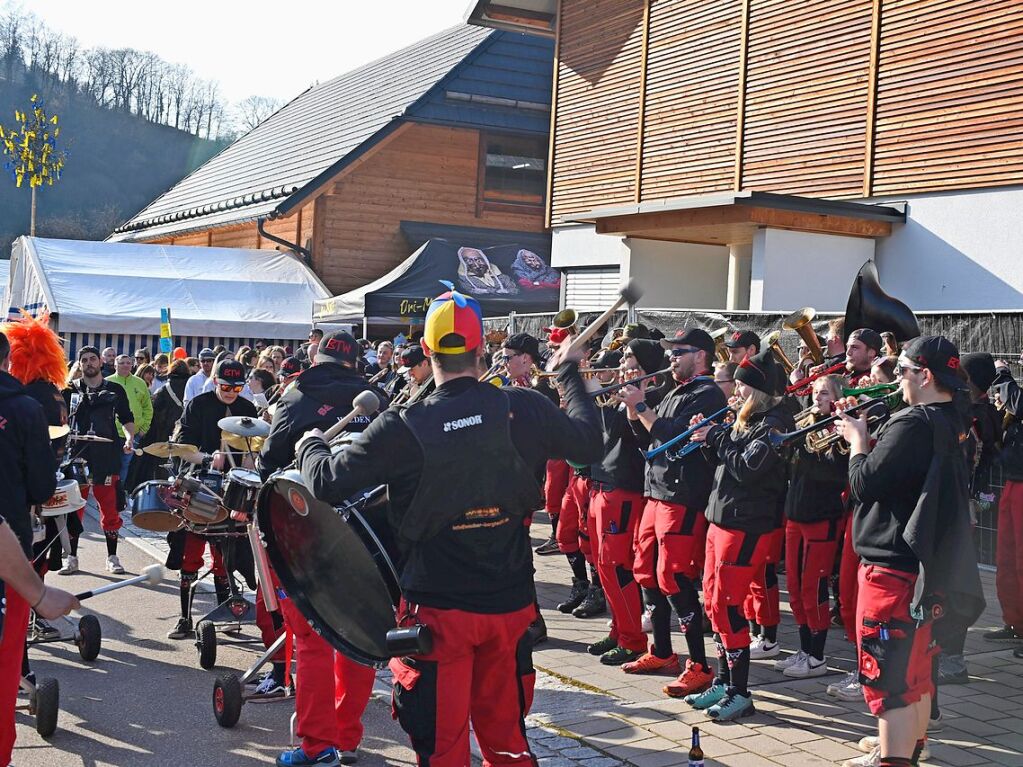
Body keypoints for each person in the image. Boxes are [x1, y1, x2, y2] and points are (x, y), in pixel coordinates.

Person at [296, 286, 601, 767]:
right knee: (507, 742)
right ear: (481, 350)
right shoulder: (524, 407)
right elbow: (588, 443)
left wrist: (310, 444)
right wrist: (569, 375)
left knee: (442, 748)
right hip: (510, 607)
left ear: (429, 350)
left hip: (438, 613)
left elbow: (327, 484)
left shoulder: (403, 424)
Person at [836, 336, 983, 767]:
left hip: (892, 568)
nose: (897, 379)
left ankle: (893, 757)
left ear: (925, 375)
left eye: (902, 371)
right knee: (916, 674)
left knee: (889, 681)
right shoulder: (951, 419)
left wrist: (856, 439)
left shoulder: (913, 423)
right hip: (922, 568)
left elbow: (863, 484)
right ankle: (907, 749)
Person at [258, 330, 379, 767]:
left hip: (308, 534)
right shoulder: (378, 396)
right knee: (361, 637)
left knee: (312, 640)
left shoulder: (297, 396)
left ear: (317, 354)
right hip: (368, 539)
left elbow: (270, 463)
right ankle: (346, 737)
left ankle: (317, 746)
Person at [683, 348, 795, 721]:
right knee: (714, 603)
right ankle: (725, 681)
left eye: (743, 387)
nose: (736, 392)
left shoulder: (774, 425)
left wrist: (716, 436)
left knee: (730, 606)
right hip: (722, 519)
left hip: (746, 525)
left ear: (759, 391)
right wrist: (705, 440)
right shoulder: (745, 420)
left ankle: (740, 692)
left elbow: (749, 469)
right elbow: (725, 467)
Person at [621, 329, 726, 694]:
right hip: (656, 492)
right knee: (645, 570)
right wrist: (635, 415)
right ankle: (663, 652)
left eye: (679, 352)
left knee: (673, 577)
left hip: (681, 497)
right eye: (670, 352)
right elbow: (648, 440)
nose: (671, 358)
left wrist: (641, 407)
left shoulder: (708, 392)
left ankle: (699, 663)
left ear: (701, 356)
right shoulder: (674, 392)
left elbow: (672, 436)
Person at [0, 329, 78, 767]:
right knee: (6, 658)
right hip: (8, 547)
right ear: (8, 363)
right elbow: (43, 486)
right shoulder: (27, 409)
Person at [580, 338, 669, 667]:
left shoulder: (649, 398)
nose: (624, 371)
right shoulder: (620, 396)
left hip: (624, 489)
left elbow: (626, 431)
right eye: (624, 365)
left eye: (632, 366)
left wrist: (622, 397)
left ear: (647, 370)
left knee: (620, 569)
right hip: (600, 485)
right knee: (603, 566)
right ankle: (619, 629)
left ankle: (633, 638)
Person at [165, 359, 258, 640]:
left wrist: (250, 465)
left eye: (237, 386)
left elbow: (254, 447)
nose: (231, 391)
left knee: (225, 554)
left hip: (232, 490)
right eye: (226, 385)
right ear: (215, 381)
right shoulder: (197, 405)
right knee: (190, 553)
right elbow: (181, 448)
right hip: (200, 485)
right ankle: (184, 618)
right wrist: (207, 457)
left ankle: (226, 611)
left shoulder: (247, 409)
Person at [777, 375, 848, 680]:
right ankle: (805, 649)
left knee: (814, 587)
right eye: (815, 393)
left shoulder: (842, 429)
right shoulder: (806, 424)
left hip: (822, 516)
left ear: (837, 398)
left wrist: (805, 448)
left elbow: (835, 472)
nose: (817, 398)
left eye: (824, 393)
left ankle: (818, 656)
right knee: (794, 585)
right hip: (796, 513)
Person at [64, 346, 135, 575]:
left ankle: (112, 557)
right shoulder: (70, 390)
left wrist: (130, 438)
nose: (89, 363)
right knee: (75, 508)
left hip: (107, 457)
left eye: (92, 359)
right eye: (84, 360)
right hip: (77, 456)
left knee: (110, 508)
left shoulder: (114, 389)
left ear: (100, 362)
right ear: (80, 364)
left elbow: (127, 419)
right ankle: (72, 557)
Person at [988, 357, 1023, 650]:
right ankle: (1014, 621)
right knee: (1007, 558)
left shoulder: (1015, 392)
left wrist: (1002, 374)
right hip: (1013, 481)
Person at [127, 358, 190, 489]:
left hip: (160, 432)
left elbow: (153, 410)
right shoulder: (190, 386)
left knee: (156, 464)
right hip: (182, 431)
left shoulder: (164, 389)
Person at [107, 353, 154, 496]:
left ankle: (119, 493)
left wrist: (144, 428)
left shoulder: (140, 383)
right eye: (122, 363)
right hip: (112, 433)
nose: (126, 365)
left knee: (126, 464)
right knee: (111, 465)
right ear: (115, 365)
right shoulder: (107, 382)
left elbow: (148, 407)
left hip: (134, 434)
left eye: (128, 363)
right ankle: (108, 493)